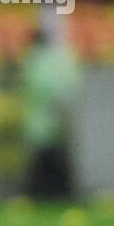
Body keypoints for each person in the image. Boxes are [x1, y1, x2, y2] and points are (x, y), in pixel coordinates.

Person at [21, 23, 80, 200]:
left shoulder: (35, 61)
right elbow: (66, 89)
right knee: (56, 163)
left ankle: (41, 195)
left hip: (39, 123)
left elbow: (38, 89)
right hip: (55, 121)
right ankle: (60, 195)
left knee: (42, 165)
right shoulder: (58, 60)